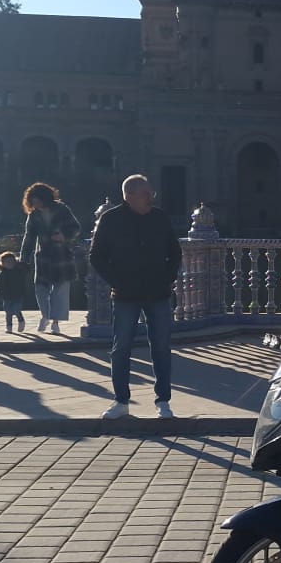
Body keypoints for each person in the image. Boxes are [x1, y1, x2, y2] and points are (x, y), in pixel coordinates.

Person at [91, 174, 183, 419]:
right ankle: (121, 401)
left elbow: (175, 252)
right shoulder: (111, 219)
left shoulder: (160, 217)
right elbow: (96, 256)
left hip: (158, 292)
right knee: (121, 347)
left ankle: (163, 401)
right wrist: (117, 281)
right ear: (129, 195)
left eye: (151, 193)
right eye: (146, 194)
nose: (151, 197)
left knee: (161, 347)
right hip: (125, 294)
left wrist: (167, 277)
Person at [18, 183, 81, 334]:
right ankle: (45, 316)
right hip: (43, 257)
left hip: (61, 255)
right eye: (33, 201)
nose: (35, 204)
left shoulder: (62, 210)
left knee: (60, 289)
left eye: (37, 200)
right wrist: (24, 258)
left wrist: (63, 236)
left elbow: (75, 228)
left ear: (45, 198)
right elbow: (29, 237)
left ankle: (55, 322)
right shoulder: (34, 216)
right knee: (40, 288)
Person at [0, 251, 30, 333]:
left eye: (11, 261)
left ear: (15, 262)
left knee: (16, 309)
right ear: (2, 263)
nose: (9, 263)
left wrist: (22, 264)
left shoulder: (19, 271)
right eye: (7, 262)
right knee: (8, 312)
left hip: (18, 295)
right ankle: (9, 326)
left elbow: (27, 269)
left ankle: (21, 321)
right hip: (6, 296)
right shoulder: (2, 273)